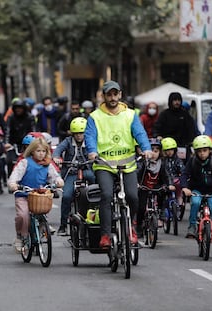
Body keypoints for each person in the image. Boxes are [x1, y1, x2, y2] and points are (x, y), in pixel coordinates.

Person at [85, 80, 153, 248]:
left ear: (120, 95)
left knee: (132, 196)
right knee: (107, 195)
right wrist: (92, 152)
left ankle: (131, 227)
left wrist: (146, 149)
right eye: (109, 94)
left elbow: (140, 133)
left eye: (115, 94)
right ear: (104, 96)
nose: (113, 97)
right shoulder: (95, 116)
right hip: (104, 165)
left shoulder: (130, 114)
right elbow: (90, 137)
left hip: (127, 164)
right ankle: (105, 235)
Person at [8, 138, 64, 253]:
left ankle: (42, 228)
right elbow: (14, 176)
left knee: (41, 212)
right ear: (32, 151)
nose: (41, 154)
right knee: (23, 215)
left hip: (39, 195)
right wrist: (13, 184)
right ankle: (21, 236)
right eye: (38, 151)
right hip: (24, 194)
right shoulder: (25, 163)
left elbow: (55, 176)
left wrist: (58, 181)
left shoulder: (47, 164)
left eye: (44, 151)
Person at [180, 135, 212, 245]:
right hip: (196, 190)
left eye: (205, 150)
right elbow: (184, 174)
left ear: (210, 150)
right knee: (195, 203)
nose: (202, 153)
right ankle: (192, 226)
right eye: (199, 151)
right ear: (196, 152)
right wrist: (185, 187)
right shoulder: (192, 161)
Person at [53, 117, 95, 235]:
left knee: (95, 189)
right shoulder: (67, 141)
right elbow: (58, 150)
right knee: (66, 196)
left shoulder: (90, 140)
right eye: (76, 133)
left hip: (87, 170)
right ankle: (63, 225)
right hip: (71, 172)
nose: (79, 136)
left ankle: (95, 219)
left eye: (81, 133)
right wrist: (56, 157)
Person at [137, 138, 174, 232]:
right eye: (151, 151)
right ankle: (139, 226)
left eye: (156, 151)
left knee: (164, 194)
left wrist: (169, 184)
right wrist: (137, 184)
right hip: (144, 187)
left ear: (160, 152)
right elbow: (137, 173)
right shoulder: (143, 163)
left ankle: (161, 212)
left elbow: (167, 175)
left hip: (157, 186)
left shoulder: (162, 163)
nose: (153, 154)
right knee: (141, 208)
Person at [4, 99, 36, 175]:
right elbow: (7, 131)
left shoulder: (30, 117)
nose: (18, 110)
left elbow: (33, 131)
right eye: (16, 108)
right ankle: (10, 178)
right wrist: (7, 143)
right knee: (9, 161)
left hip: (27, 144)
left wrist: (33, 142)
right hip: (13, 144)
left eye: (20, 108)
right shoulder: (11, 118)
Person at [161, 137, 185, 210]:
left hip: (175, 179)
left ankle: (179, 198)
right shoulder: (162, 160)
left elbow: (182, 169)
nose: (169, 152)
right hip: (165, 180)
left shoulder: (177, 160)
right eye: (167, 150)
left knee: (178, 186)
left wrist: (182, 174)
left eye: (171, 150)